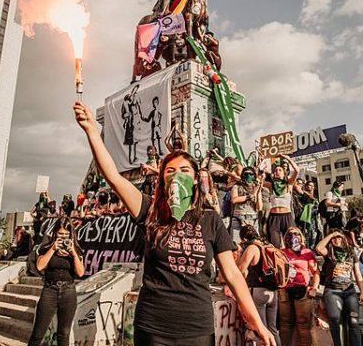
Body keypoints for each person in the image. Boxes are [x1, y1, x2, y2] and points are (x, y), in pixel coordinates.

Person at [73, 101, 276, 346]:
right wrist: (92, 131)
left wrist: (258, 323)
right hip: (153, 327)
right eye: (170, 171)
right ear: (161, 179)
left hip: (198, 329)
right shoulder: (150, 210)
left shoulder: (210, 220)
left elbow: (232, 275)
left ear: (196, 179)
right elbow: (114, 178)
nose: (177, 175)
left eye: (184, 170)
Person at [27, 217, 84, 346]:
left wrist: (73, 253)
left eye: (66, 234)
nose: (63, 237)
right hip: (49, 290)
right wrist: (52, 249)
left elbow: (80, 272)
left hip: (68, 291)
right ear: (55, 233)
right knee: (38, 332)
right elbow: (40, 266)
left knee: (64, 333)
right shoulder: (46, 247)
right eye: (60, 234)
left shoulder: (75, 249)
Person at [316, 230, 363, 346]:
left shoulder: (351, 252)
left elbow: (357, 274)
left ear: (343, 239)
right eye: (334, 238)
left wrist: (362, 291)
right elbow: (318, 248)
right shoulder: (329, 252)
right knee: (334, 318)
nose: (337, 240)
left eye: (339, 238)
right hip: (332, 291)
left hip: (349, 291)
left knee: (354, 321)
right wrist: (332, 234)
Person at [237, 225, 281, 346]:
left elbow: (240, 270)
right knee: (273, 330)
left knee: (261, 331)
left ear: (244, 239)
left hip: (258, 291)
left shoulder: (252, 248)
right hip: (273, 292)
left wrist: (240, 252)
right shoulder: (268, 246)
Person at [278, 227, 319, 346]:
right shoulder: (281, 252)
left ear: (301, 237)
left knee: (303, 324)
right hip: (285, 291)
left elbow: (316, 272)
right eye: (290, 234)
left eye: (296, 234)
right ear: (286, 238)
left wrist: (314, 288)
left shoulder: (307, 253)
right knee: (285, 325)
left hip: (303, 291)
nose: (293, 236)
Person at [264, 155, 299, 248]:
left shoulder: (289, 184)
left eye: (280, 170)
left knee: (293, 243)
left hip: (286, 216)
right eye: (275, 170)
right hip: (274, 217)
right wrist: (262, 161)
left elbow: (297, 171)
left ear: (284, 173)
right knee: (274, 244)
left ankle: (295, 261)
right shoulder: (271, 185)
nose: (277, 172)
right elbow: (258, 180)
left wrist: (287, 158)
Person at [230, 167, 263, 244]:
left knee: (254, 244)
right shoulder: (237, 186)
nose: (248, 176)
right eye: (246, 174)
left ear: (254, 176)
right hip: (238, 217)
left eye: (251, 174)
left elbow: (259, 207)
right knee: (237, 244)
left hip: (252, 219)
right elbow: (234, 199)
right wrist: (250, 196)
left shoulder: (256, 188)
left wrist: (257, 192)